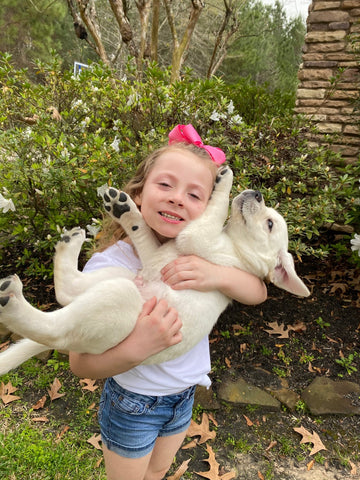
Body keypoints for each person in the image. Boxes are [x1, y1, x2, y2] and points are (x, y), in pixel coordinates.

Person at [70, 124, 267, 480]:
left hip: (183, 396)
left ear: (209, 210)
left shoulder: (210, 256)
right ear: (139, 194)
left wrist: (216, 276)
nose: (178, 198)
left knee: (159, 470)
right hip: (132, 402)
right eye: (165, 184)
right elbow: (80, 364)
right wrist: (138, 347)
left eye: (195, 195)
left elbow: (258, 293)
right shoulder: (111, 266)